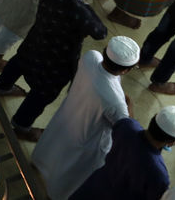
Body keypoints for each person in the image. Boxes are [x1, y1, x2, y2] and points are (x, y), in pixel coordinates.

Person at [0, 0, 117, 140]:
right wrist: (88, 6)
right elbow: (100, 32)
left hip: (36, 38)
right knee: (41, 94)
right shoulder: (83, 14)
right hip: (56, 61)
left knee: (19, 61)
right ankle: (21, 126)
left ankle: (1, 87)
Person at [32, 36, 141, 199]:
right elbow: (126, 128)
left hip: (69, 116)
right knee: (69, 172)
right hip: (87, 139)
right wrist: (129, 106)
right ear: (126, 70)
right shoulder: (117, 103)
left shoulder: (91, 57)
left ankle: (39, 163)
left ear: (105, 52)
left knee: (54, 146)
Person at [70, 106, 175, 200]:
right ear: (172, 142)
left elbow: (128, 122)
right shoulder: (159, 174)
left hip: (95, 185)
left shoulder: (127, 127)